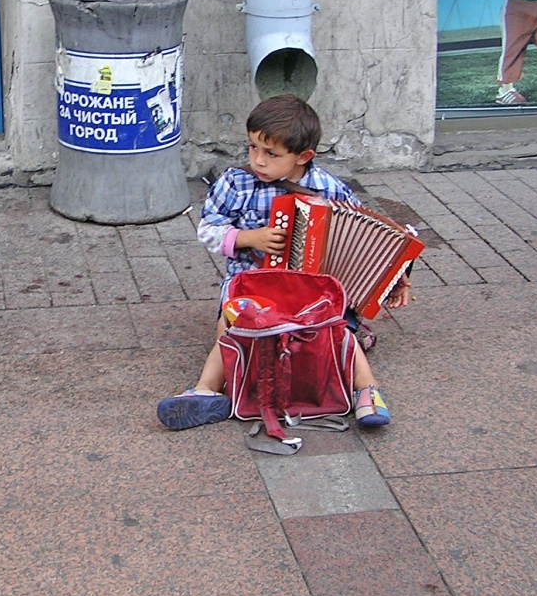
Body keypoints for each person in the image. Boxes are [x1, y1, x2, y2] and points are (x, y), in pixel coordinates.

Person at [156, 94, 410, 432]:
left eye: (271, 154)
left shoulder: (328, 188)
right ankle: (206, 390)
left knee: (339, 328)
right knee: (228, 328)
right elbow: (208, 230)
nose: (258, 160)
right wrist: (248, 238)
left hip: (309, 290)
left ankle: (368, 390)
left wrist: (396, 275)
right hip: (250, 283)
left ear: (303, 157)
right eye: (253, 148)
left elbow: (368, 237)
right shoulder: (236, 183)